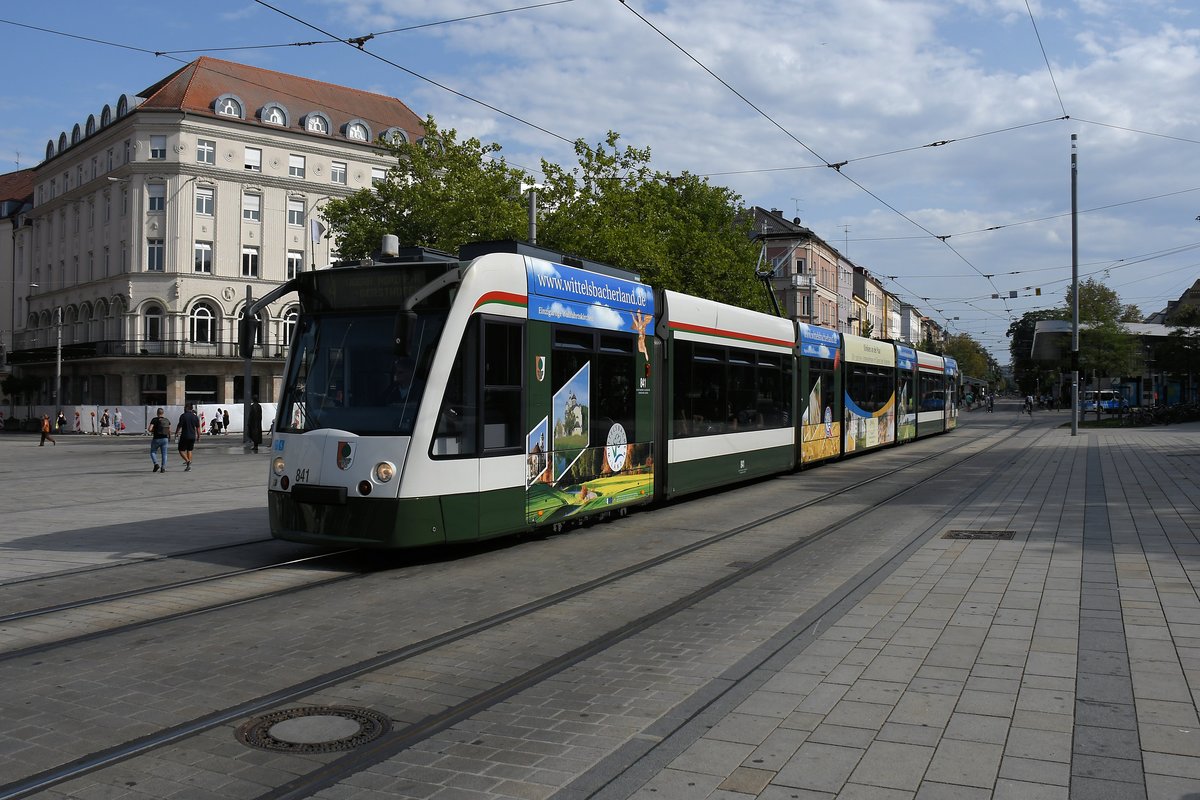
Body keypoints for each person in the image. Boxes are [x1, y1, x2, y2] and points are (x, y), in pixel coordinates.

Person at [176, 403, 201, 472]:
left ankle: (187, 461)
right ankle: (188, 466)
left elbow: (179, 426)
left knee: (181, 450)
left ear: (187, 408)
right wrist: (198, 436)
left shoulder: (183, 416)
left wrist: (176, 433)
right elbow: (198, 428)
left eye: (184, 407)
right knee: (189, 450)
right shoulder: (195, 417)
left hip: (185, 435)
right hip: (192, 436)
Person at [147, 407, 171, 472]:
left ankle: (156, 464)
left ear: (157, 413)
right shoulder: (167, 420)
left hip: (156, 439)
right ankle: (163, 468)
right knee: (164, 454)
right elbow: (169, 430)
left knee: (153, 452)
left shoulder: (154, 420)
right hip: (165, 439)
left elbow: (149, 429)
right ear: (163, 413)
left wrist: (154, 430)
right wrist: (169, 437)